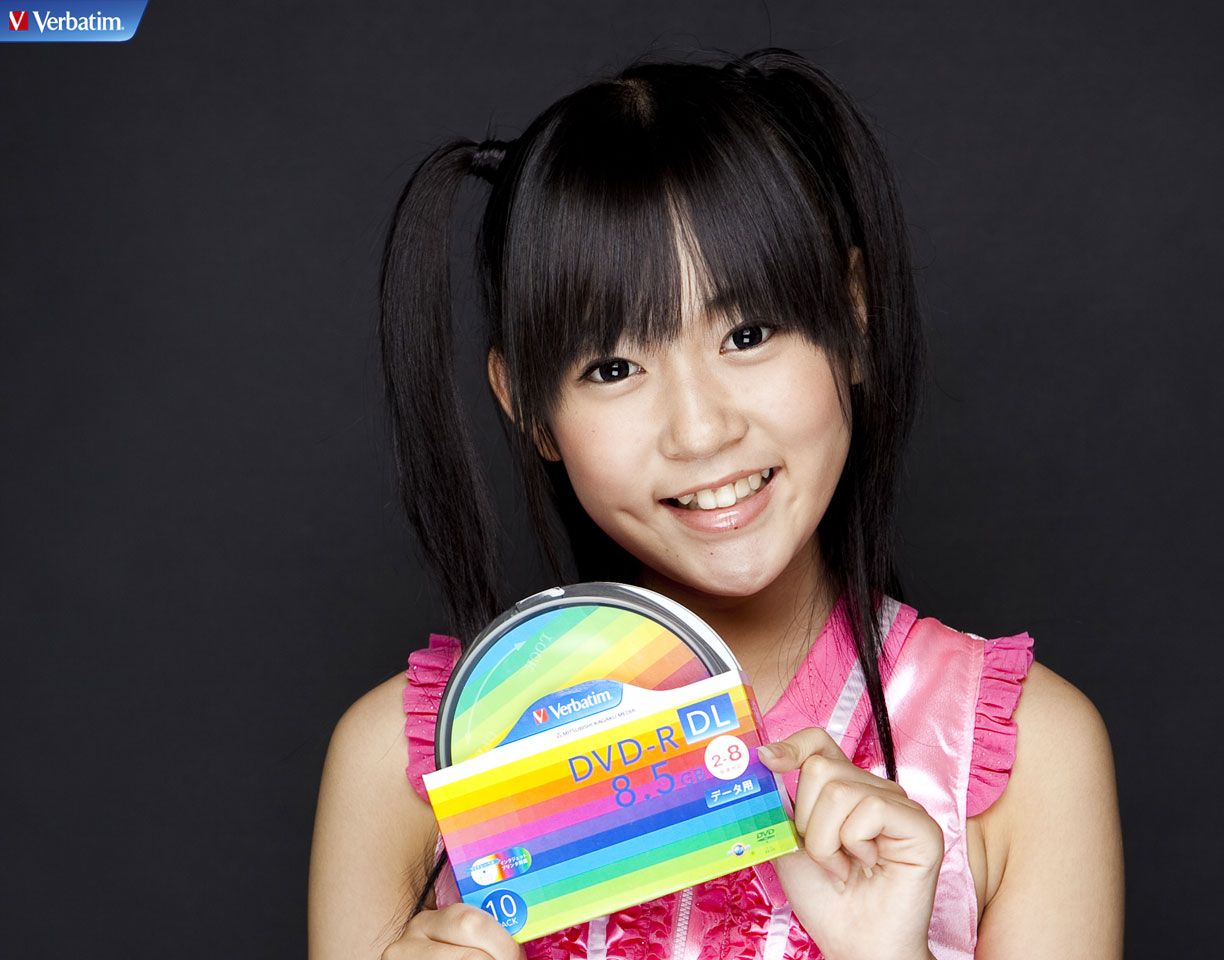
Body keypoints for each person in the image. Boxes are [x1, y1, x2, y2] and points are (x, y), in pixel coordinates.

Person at [308, 47, 1124, 960]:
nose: (700, 431)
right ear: (529, 409)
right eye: (613, 367)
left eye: (748, 332)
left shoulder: (1026, 755)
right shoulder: (411, 767)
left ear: (855, 316)